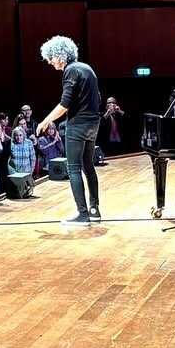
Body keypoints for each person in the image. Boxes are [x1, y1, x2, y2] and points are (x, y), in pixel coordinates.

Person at [37, 35, 102, 226]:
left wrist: (45, 121)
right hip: (93, 124)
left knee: (73, 168)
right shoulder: (86, 68)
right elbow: (97, 96)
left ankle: (82, 214)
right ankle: (94, 209)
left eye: (51, 58)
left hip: (78, 125)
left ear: (60, 55)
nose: (50, 62)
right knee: (88, 167)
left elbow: (64, 104)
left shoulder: (71, 71)